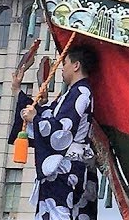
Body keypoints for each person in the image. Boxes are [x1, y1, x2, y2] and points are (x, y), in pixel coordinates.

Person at [9, 44, 99, 220]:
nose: (61, 69)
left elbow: (62, 131)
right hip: (69, 168)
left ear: (76, 65)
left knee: (59, 214)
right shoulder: (74, 93)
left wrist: (35, 118)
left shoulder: (81, 92)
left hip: (66, 168)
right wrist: (18, 91)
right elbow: (48, 115)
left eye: (64, 63)